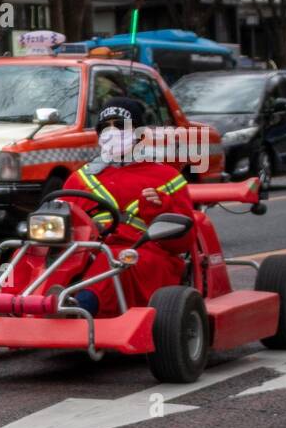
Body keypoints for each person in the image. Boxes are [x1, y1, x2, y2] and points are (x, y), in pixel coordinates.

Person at [48, 97, 196, 317]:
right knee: (38, 255)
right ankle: (13, 300)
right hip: (89, 248)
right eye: (104, 128)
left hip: (144, 252)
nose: (111, 132)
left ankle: (80, 307)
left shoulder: (167, 177)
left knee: (114, 260)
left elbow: (184, 242)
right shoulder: (81, 178)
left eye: (119, 126)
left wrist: (159, 208)